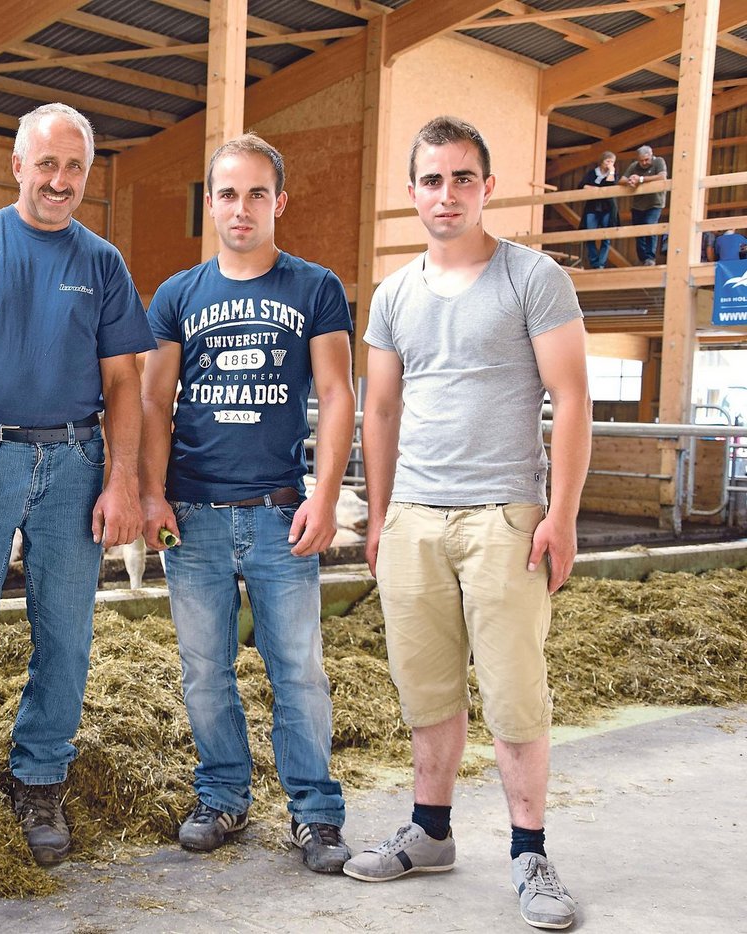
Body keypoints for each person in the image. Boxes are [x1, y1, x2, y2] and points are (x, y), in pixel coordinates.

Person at [348, 116, 591, 932]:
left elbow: (573, 400)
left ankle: (530, 852)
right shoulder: (394, 294)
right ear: (411, 191)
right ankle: (431, 831)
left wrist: (560, 515)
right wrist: (380, 518)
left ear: (486, 187)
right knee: (426, 687)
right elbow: (379, 410)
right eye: (430, 180)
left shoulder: (533, 277)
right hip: (415, 515)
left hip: (504, 515)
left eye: (461, 178)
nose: (445, 194)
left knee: (515, 692)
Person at [0, 102, 155, 866]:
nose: (60, 180)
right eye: (46, 163)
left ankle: (40, 776)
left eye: (74, 167)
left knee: (67, 638)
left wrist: (123, 484)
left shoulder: (103, 262)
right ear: (18, 166)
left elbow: (123, 381)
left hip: (75, 465)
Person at [139, 134, 355, 872]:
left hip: (278, 512)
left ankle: (316, 814)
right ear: (211, 203)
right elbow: (154, 400)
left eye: (257, 194)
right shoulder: (176, 295)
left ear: (279, 203)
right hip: (193, 516)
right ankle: (225, 796)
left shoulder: (315, 287)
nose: (241, 208)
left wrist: (325, 496)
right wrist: (152, 495)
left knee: (298, 669)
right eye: (227, 194)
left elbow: (336, 394)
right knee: (206, 669)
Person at [619, 144, 668, 265]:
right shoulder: (634, 166)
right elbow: (621, 180)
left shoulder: (659, 161)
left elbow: (662, 177)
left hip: (655, 203)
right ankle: (643, 258)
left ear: (651, 156)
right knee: (638, 231)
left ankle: (650, 258)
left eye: (646, 160)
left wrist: (640, 179)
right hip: (638, 204)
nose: (644, 163)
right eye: (641, 160)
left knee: (650, 227)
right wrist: (631, 180)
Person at [578, 151, 618, 269]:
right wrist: (595, 189)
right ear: (602, 161)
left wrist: (611, 171)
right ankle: (594, 261)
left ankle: (601, 263)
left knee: (606, 236)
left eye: (612, 162)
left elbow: (611, 185)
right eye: (607, 161)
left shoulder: (613, 173)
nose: (609, 163)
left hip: (607, 207)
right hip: (592, 207)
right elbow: (582, 185)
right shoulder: (592, 173)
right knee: (590, 234)